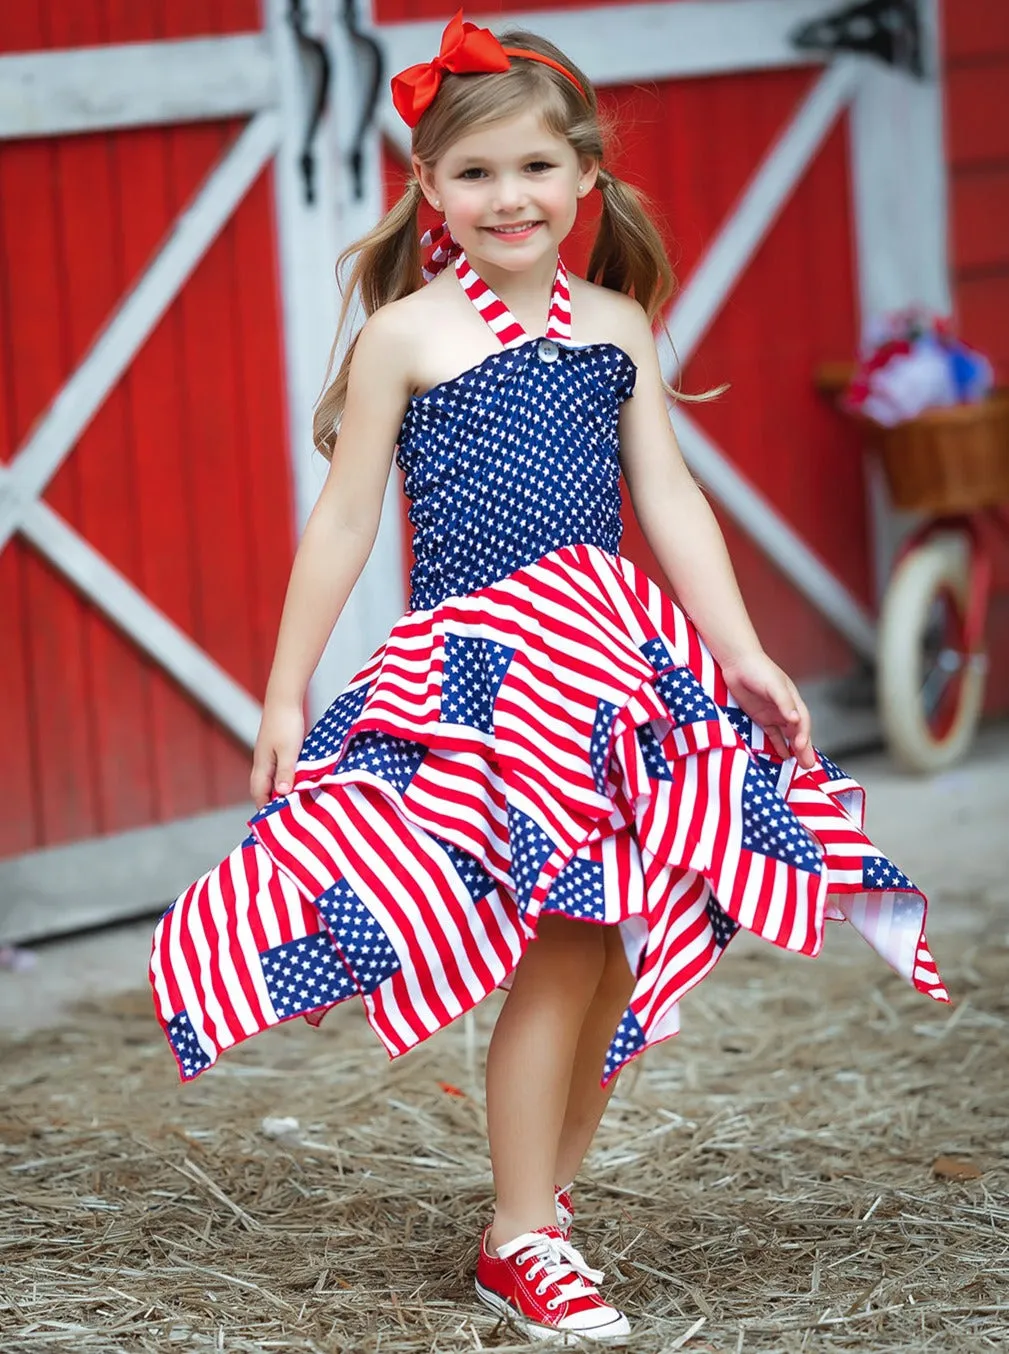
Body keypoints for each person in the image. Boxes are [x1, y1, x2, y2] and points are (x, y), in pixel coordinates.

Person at [149, 11, 947, 1344]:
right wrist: (286, 690)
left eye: (533, 168)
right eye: (473, 174)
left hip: (616, 660)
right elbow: (341, 524)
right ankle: (520, 1233)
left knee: (617, 946)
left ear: (583, 177)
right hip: (485, 675)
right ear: (427, 191)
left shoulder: (617, 324)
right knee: (566, 937)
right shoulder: (406, 336)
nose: (507, 197)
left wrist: (742, 647)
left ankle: (543, 1200)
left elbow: (673, 498)